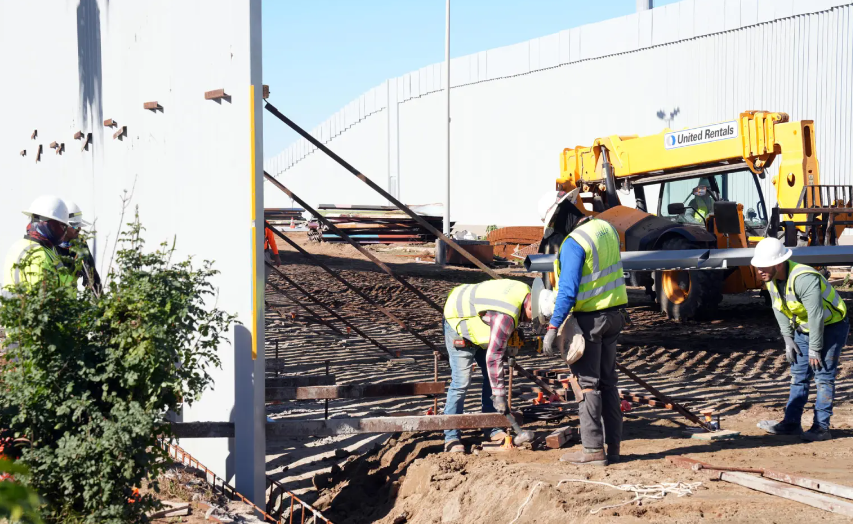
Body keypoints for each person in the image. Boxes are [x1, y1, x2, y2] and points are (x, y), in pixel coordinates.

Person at [540, 188, 628, 466]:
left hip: (591, 321)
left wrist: (553, 327)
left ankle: (592, 451)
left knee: (586, 386)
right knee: (609, 384)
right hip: (615, 314)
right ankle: (613, 448)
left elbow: (567, 291)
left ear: (562, 218)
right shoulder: (606, 227)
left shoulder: (573, 243)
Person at [752, 237, 848, 441]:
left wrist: (815, 347)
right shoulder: (771, 279)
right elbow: (778, 307)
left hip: (831, 327)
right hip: (803, 328)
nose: (760, 270)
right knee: (798, 376)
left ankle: (821, 428)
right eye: (758, 266)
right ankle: (791, 423)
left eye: (764, 266)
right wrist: (787, 338)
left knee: (823, 376)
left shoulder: (804, 278)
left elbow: (817, 314)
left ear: (778, 263)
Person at [441, 279, 532, 453]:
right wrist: (499, 395)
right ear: (529, 306)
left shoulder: (526, 292)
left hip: (479, 323)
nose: (527, 323)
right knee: (461, 381)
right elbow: (494, 357)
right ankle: (451, 436)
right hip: (458, 320)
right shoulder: (506, 316)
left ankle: (492, 427)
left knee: (492, 378)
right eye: (530, 318)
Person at [3, 195, 72, 291]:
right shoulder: (39, 254)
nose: (64, 232)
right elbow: (43, 298)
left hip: (14, 305)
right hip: (30, 306)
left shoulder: (18, 245)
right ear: (47, 224)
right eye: (62, 226)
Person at [58, 200, 101, 292]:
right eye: (74, 226)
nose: (79, 229)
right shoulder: (52, 246)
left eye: (79, 225)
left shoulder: (80, 245)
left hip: (72, 301)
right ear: (63, 226)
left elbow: (94, 277)